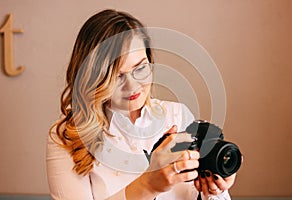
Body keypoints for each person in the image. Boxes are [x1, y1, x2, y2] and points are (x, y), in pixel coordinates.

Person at [46, 9, 236, 200]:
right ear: (93, 78)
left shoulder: (177, 116)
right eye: (117, 76)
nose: (132, 85)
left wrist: (215, 190)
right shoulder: (66, 138)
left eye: (140, 68)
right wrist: (148, 185)